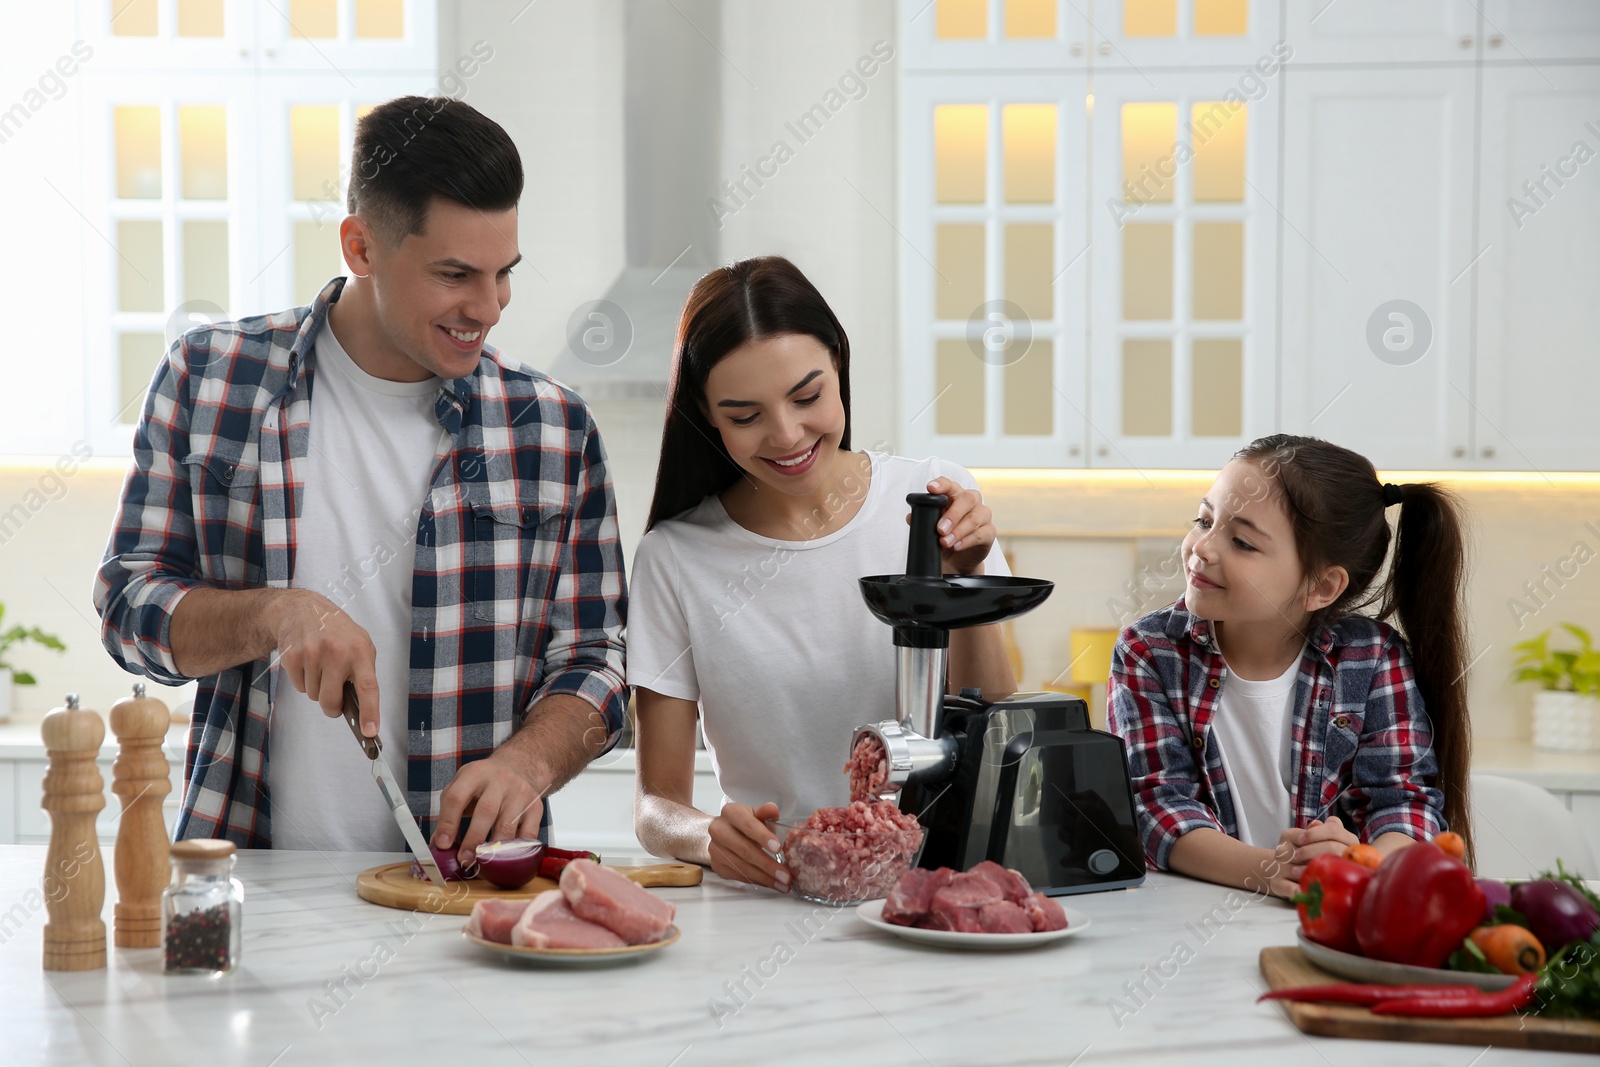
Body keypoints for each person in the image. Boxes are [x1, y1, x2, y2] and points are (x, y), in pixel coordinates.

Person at [94, 96, 627, 863]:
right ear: (361, 246)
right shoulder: (209, 380)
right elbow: (126, 605)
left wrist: (527, 764)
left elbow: (598, 658)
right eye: (455, 275)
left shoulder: (552, 428)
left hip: (467, 899)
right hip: (251, 885)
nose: (488, 308)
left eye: (503, 273)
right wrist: (275, 614)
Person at [627, 256, 1015, 893]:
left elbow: (992, 716)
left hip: (936, 888)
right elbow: (655, 808)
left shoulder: (930, 496)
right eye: (744, 416)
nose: (786, 435)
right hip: (773, 894)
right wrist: (708, 836)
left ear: (839, 362)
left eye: (807, 396)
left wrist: (967, 579)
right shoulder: (676, 557)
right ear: (707, 412)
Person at [1109, 434, 1471, 899]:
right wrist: (1269, 871)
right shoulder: (1149, 651)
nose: (1203, 548)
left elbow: (1405, 805)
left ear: (1321, 587)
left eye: (1242, 542)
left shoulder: (1373, 658)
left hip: (1339, 911)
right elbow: (1153, 805)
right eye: (1203, 520)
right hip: (1192, 914)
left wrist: (1364, 864)